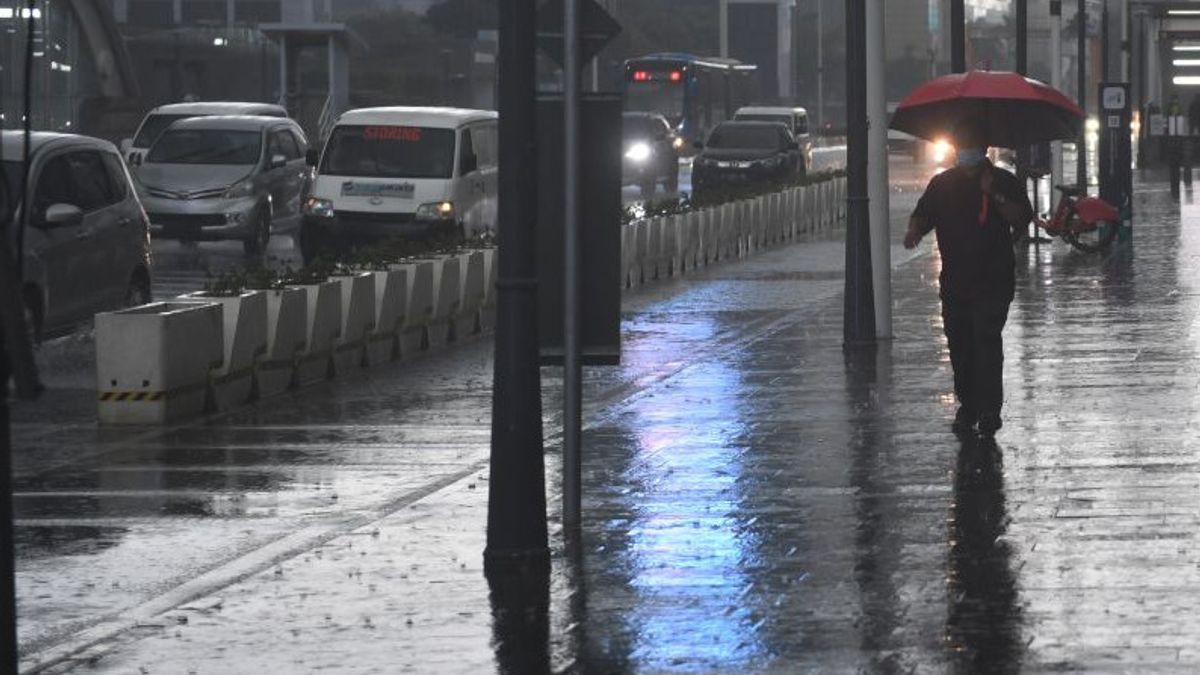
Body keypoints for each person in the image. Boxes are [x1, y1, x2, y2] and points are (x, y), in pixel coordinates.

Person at [903, 120, 1033, 437]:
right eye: (962, 149)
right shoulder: (942, 184)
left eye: (972, 148)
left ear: (984, 151)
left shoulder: (1003, 180)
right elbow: (923, 214)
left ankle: (990, 410)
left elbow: (1022, 218)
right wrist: (915, 230)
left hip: (994, 280)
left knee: (987, 343)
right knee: (961, 346)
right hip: (956, 282)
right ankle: (968, 406)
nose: (967, 154)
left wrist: (995, 196)